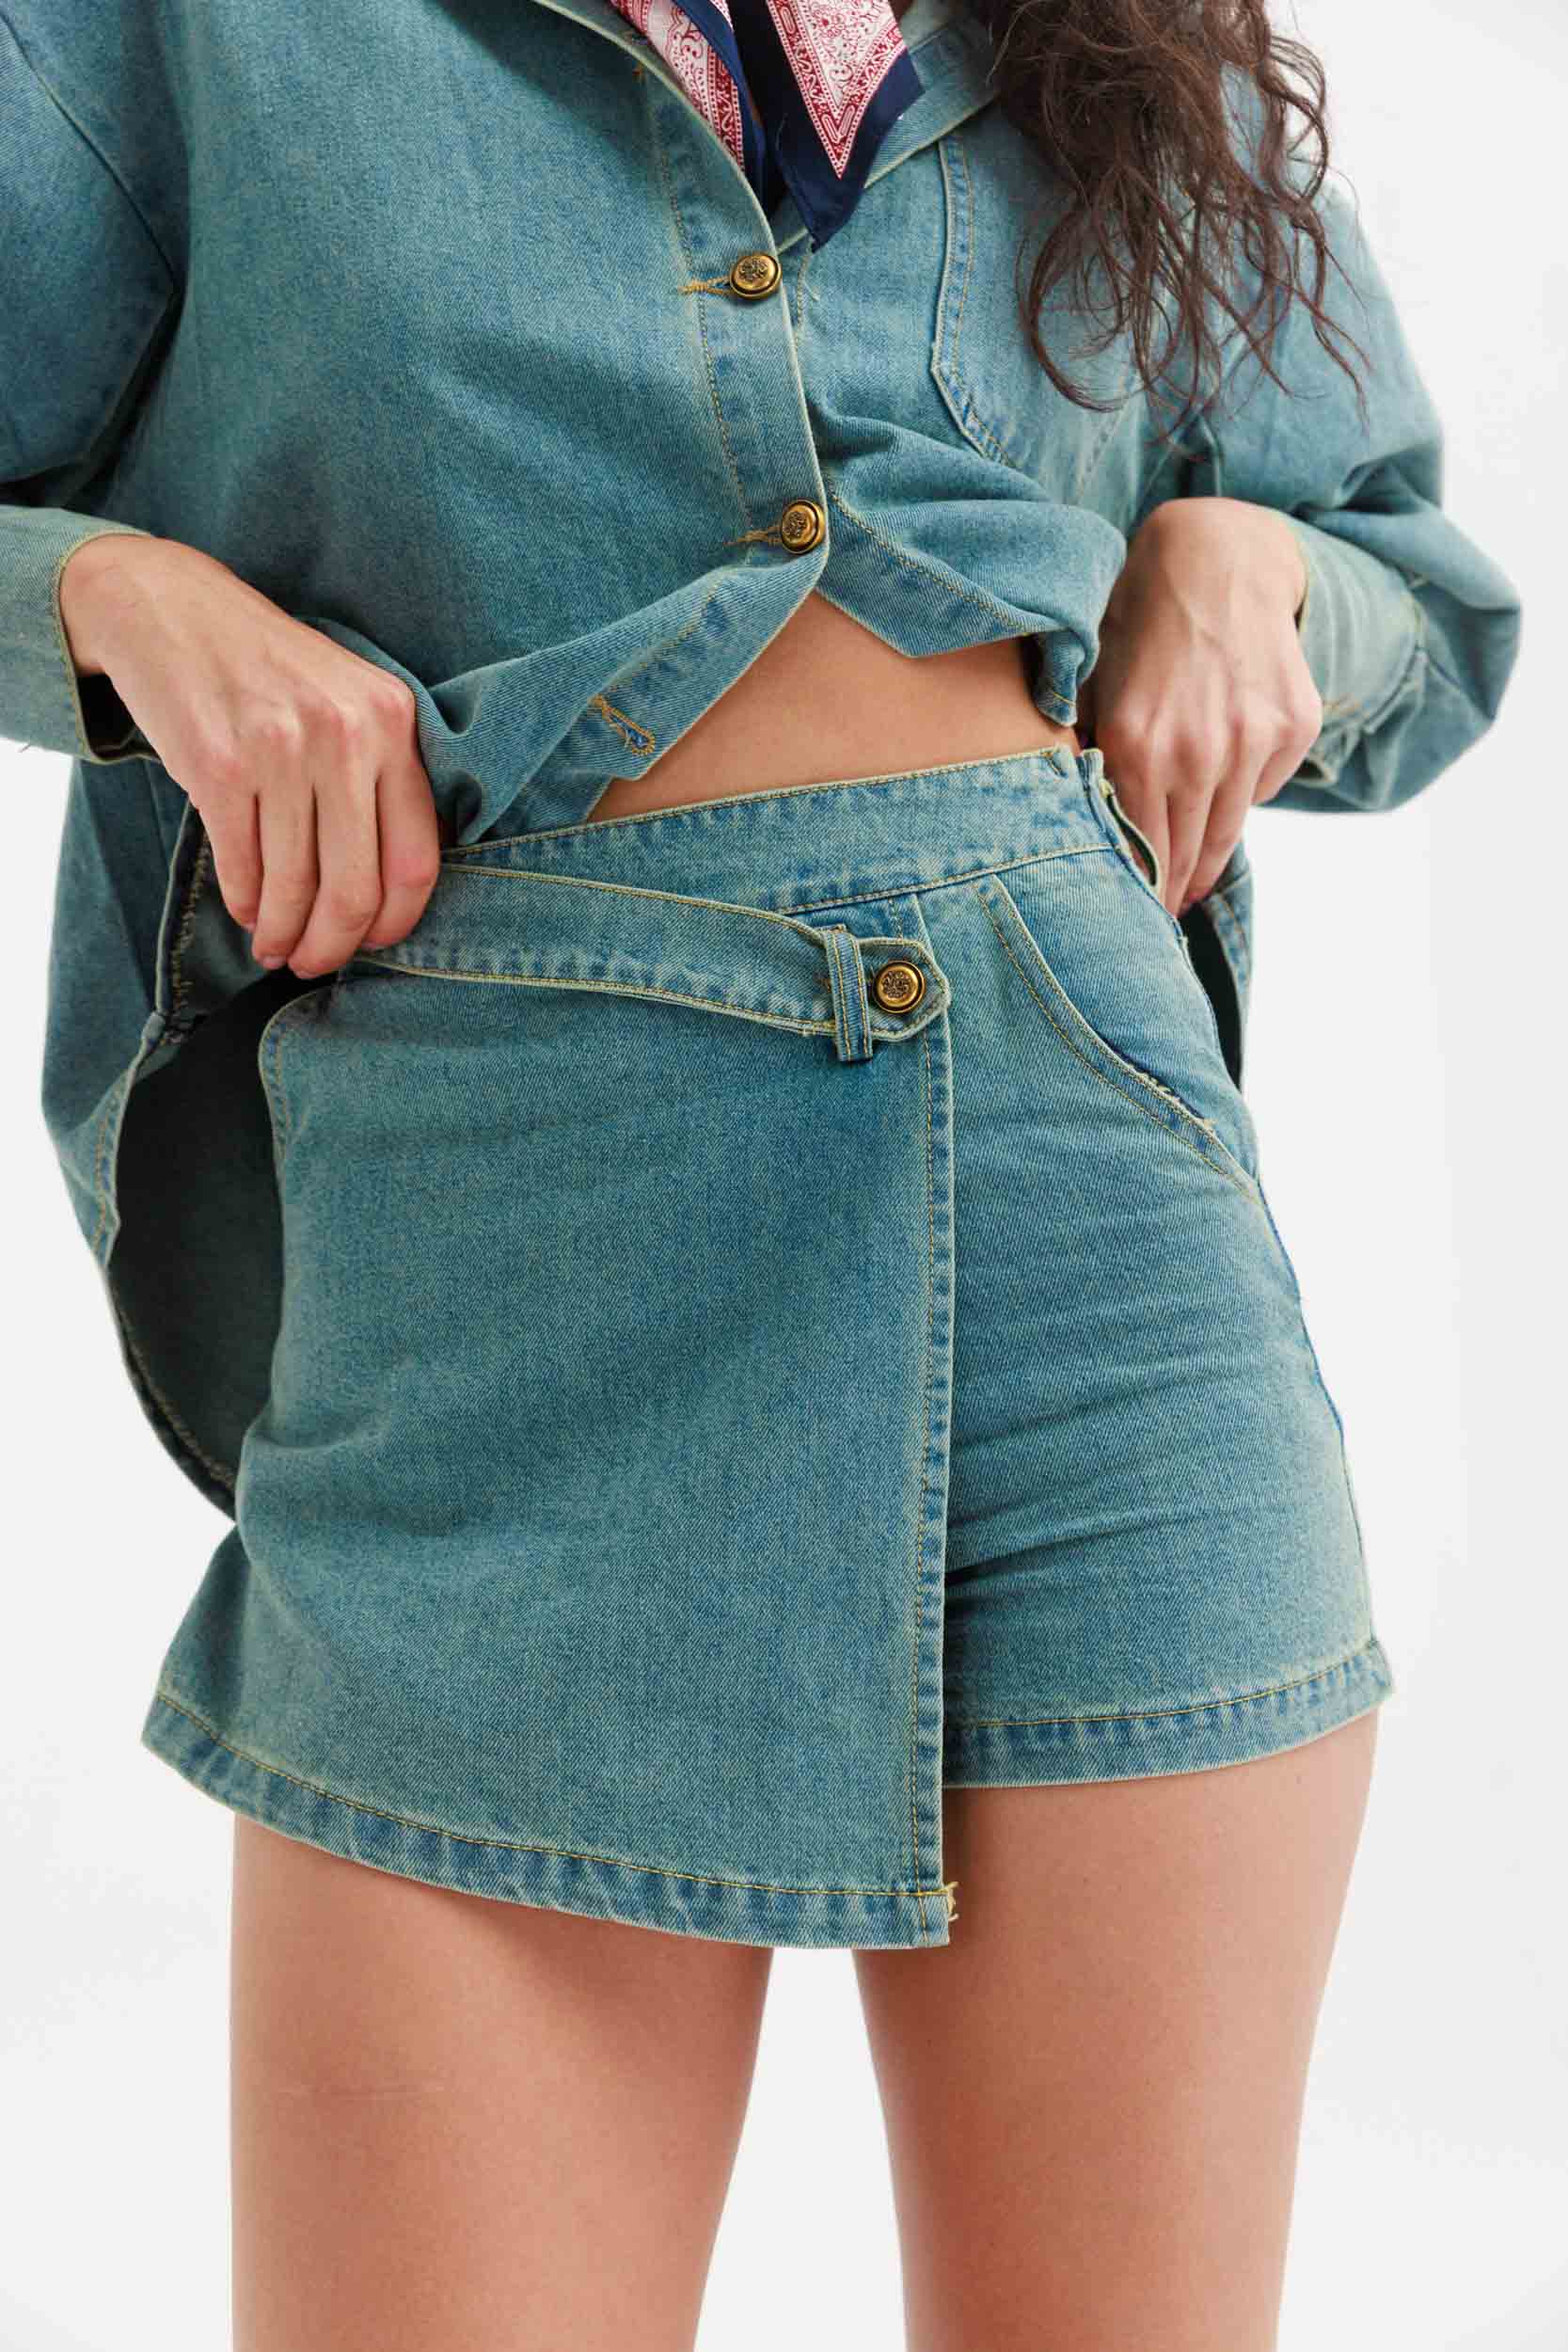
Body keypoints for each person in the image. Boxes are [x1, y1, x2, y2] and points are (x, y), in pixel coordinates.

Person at [3, 0, 1520, 2343]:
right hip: (510, 1264)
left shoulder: (1122, 33)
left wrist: (1255, 571)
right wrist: (125, 604)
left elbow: (1411, 582)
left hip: (1109, 1266)